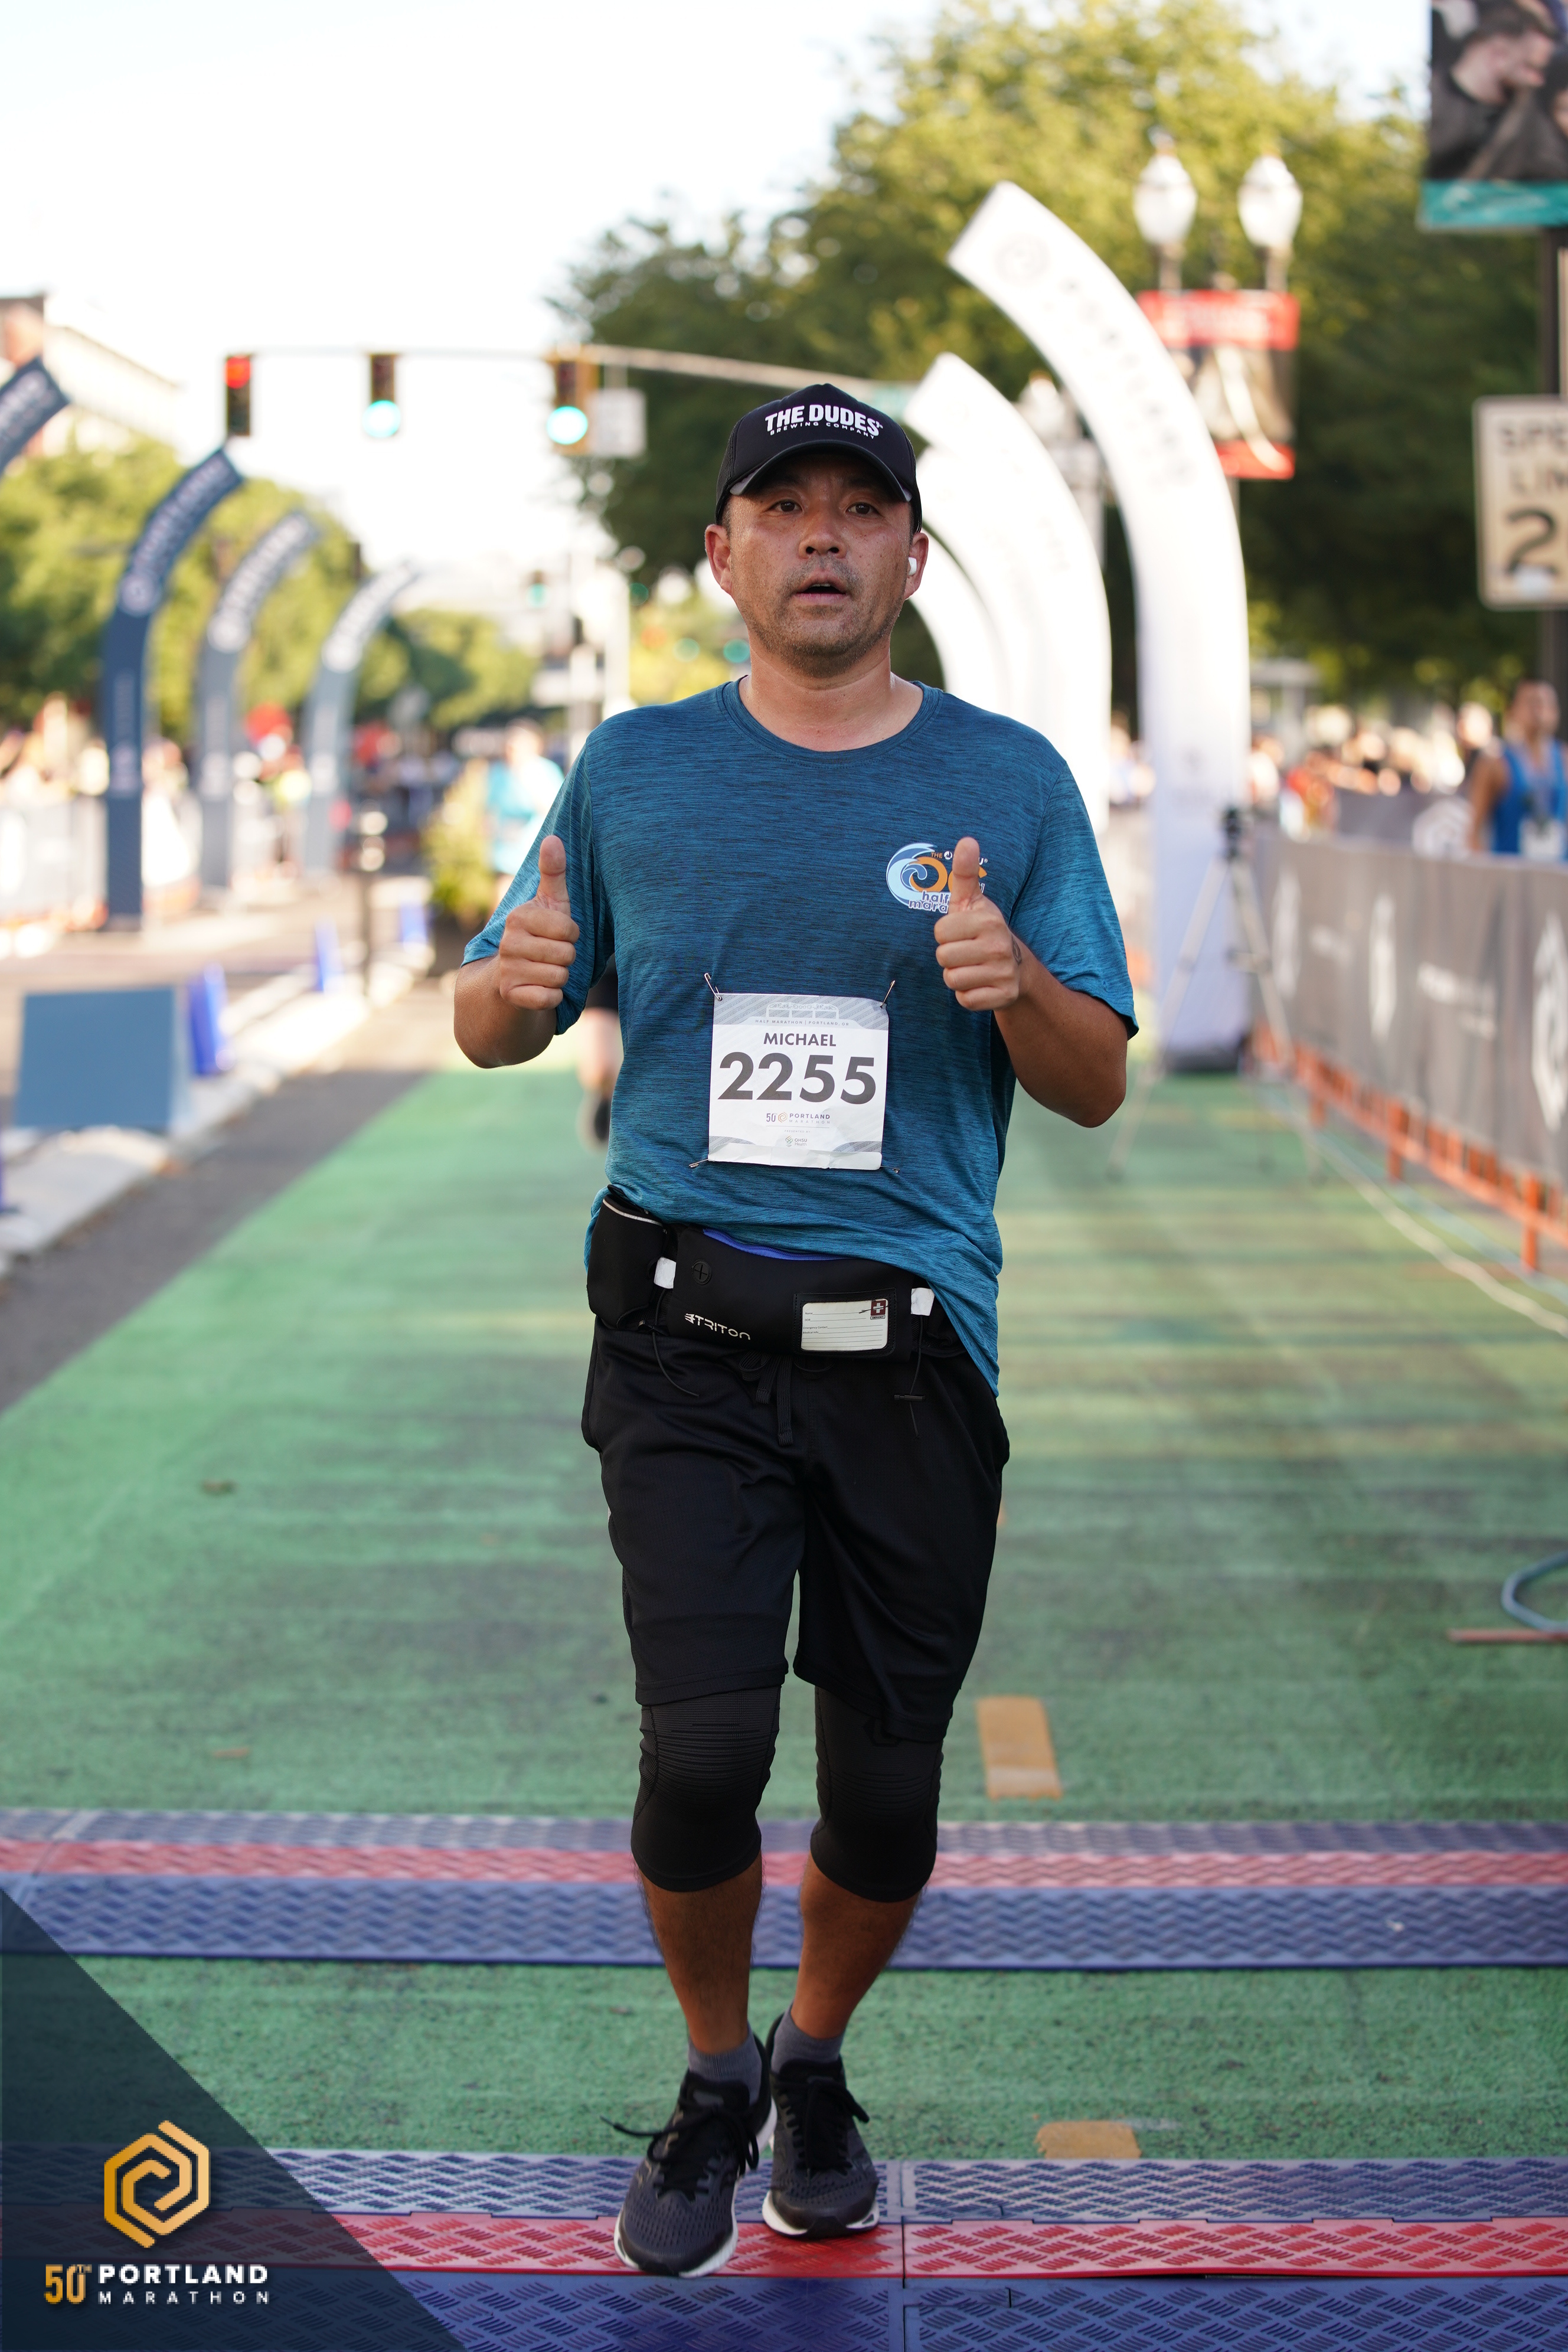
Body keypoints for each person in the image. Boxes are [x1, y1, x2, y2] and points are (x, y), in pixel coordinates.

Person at [453, 383, 1133, 2280]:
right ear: (723, 554)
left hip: (911, 1347)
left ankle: (812, 2056)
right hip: (682, 1332)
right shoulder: (634, 770)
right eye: (784, 506)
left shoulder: (1009, 784)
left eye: (858, 507)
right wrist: (508, 992)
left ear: (912, 557)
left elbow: (1093, 1079)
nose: (821, 534)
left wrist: (1013, 984)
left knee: (885, 1790)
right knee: (701, 1752)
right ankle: (710, 2072)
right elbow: (493, 1017)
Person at [1427, 3, 1556, 176]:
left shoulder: (1524, 113)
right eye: (1530, 68)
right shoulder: (1427, 103)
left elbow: (1552, 164)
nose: (1538, 81)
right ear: (1498, 55)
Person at [1469, 676, 1568, 855]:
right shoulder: (1495, 764)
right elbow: (1474, 832)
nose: (1539, 712)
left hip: (1558, 869)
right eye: (1532, 703)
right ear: (1514, 710)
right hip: (1510, 867)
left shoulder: (1564, 759)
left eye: (1547, 704)